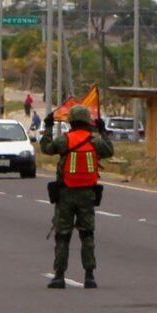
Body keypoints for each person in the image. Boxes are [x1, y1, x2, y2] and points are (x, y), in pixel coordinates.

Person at [36, 105, 112, 289]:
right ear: (87, 121)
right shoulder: (94, 141)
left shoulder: (65, 140)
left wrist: (48, 127)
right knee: (87, 235)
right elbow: (109, 151)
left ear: (70, 121)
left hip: (66, 194)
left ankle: (59, 276)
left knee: (63, 235)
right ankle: (89, 276)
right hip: (87, 194)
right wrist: (103, 131)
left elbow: (46, 148)